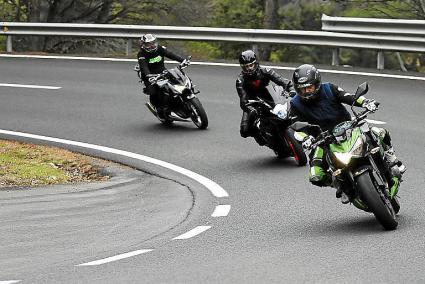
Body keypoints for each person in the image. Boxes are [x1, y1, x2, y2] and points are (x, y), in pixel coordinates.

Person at [290, 64, 406, 200]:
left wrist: (366, 102)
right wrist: (305, 139)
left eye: (309, 87)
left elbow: (349, 97)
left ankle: (392, 159)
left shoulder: (329, 88)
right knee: (316, 175)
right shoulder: (295, 104)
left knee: (379, 132)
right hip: (322, 140)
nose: (307, 92)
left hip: (348, 127)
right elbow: (296, 126)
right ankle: (339, 185)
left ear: (317, 83)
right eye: (302, 89)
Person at [236, 50, 296, 146]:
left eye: (251, 65)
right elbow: (243, 101)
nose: (249, 69)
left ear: (256, 64)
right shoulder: (240, 80)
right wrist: (251, 109)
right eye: (246, 67)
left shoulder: (266, 71)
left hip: (269, 95)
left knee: (291, 107)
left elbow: (282, 81)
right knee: (244, 130)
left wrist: (291, 89)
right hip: (252, 102)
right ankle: (262, 137)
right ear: (242, 67)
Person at [137, 33, 189, 119]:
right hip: (150, 77)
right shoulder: (141, 54)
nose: (152, 46)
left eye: (153, 43)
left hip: (163, 72)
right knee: (154, 91)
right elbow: (143, 67)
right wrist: (149, 76)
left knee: (178, 80)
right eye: (148, 44)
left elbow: (171, 54)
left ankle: (186, 96)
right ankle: (160, 110)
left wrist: (183, 60)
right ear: (144, 45)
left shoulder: (160, 49)